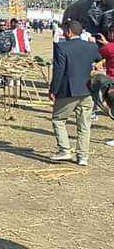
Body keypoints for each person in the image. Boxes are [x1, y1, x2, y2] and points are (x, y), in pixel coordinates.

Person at [49, 20, 101, 166]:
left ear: (69, 32)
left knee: (58, 120)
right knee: (84, 124)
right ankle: (83, 156)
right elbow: (100, 59)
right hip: (87, 91)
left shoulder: (61, 46)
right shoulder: (91, 46)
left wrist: (53, 89)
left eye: (65, 30)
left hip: (68, 91)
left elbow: (58, 71)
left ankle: (64, 149)